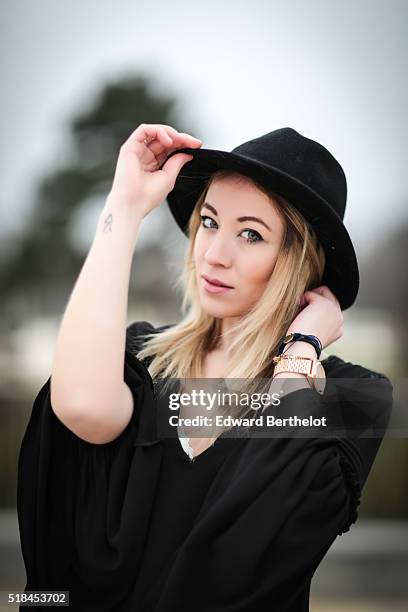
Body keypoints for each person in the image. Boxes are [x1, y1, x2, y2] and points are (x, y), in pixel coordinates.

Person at [17, 124, 393, 611]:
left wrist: (303, 345)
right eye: (210, 222)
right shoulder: (142, 357)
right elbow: (82, 408)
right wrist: (125, 206)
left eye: (251, 234)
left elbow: (270, 518)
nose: (213, 255)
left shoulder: (352, 396)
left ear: (298, 262)